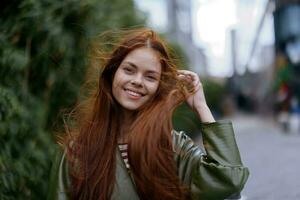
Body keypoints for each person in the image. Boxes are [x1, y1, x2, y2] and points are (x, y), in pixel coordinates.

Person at [47, 28, 249, 200]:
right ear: (112, 74)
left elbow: (229, 179)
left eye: (150, 77)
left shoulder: (173, 148)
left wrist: (201, 107)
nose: (137, 81)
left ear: (158, 88)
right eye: (129, 70)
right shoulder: (77, 151)